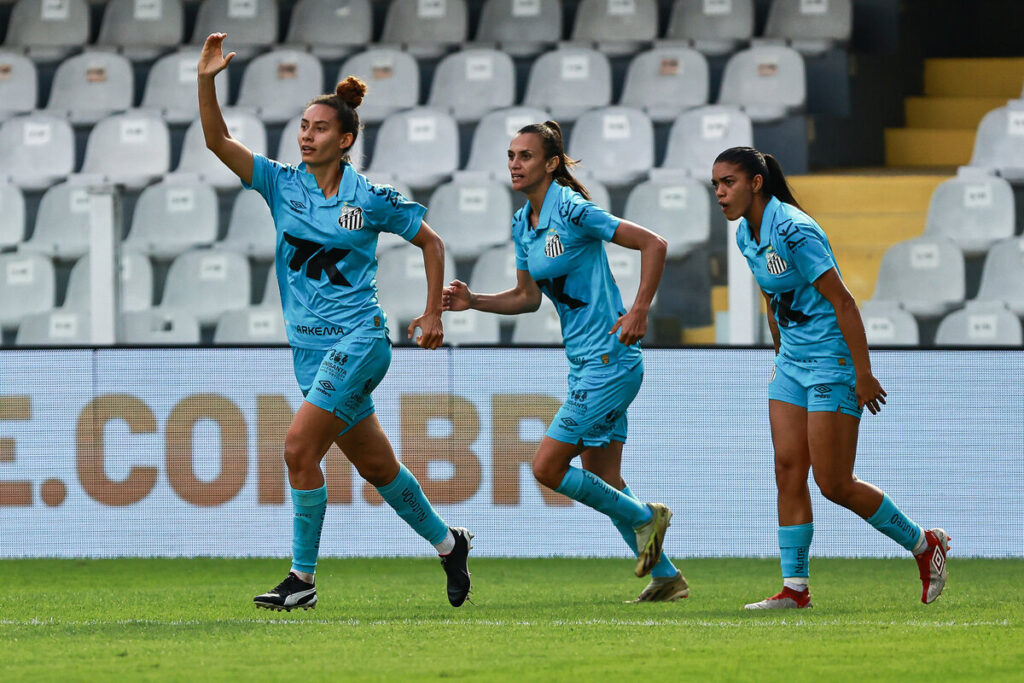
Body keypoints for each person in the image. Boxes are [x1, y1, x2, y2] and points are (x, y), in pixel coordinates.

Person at [197, 33, 472, 611]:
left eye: (319, 128)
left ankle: (302, 580)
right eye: (302, 125)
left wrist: (429, 312)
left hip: (361, 340)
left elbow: (431, 241)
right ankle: (450, 545)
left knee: (299, 448)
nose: (305, 134)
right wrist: (206, 80)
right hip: (308, 351)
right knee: (378, 467)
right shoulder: (281, 184)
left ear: (344, 140)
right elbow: (218, 139)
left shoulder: (369, 197)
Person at [443, 121, 686, 602]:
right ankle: (667, 578)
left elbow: (654, 243)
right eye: (511, 155)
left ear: (551, 164)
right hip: (584, 362)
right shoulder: (522, 224)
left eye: (526, 156)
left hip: (610, 359)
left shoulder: (572, 209)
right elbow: (527, 298)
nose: (515, 163)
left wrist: (639, 310)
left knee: (547, 467)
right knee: (605, 478)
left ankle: (646, 519)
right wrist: (474, 302)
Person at [711, 146, 950, 609]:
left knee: (833, 482)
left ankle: (924, 544)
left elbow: (843, 302)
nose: (720, 193)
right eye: (715, 185)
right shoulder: (746, 234)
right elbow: (770, 289)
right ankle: (794, 590)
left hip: (831, 363)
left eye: (728, 183)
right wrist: (776, 338)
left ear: (756, 183)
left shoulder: (795, 230)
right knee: (787, 471)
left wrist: (863, 373)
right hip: (792, 365)